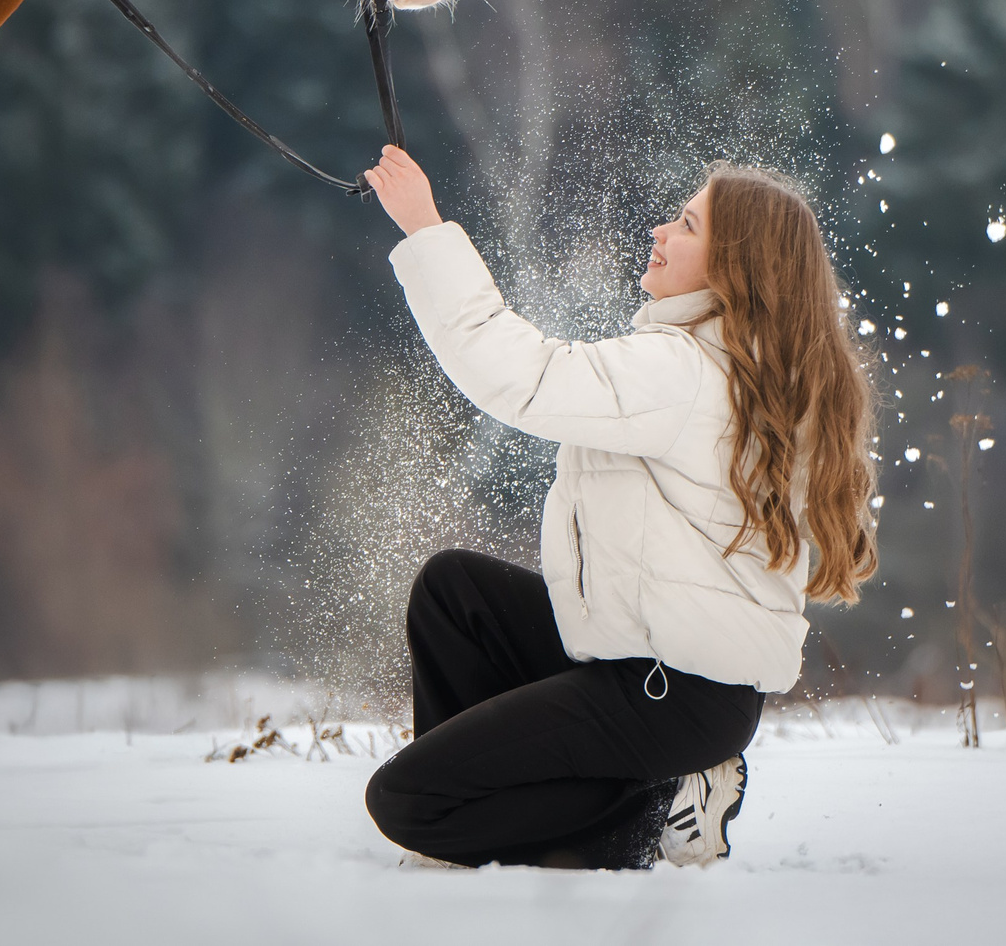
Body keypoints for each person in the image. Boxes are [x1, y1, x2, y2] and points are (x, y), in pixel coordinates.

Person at [358, 144, 879, 870]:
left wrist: (426, 228)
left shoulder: (684, 371)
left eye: (688, 225)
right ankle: (500, 810)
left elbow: (525, 378)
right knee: (457, 592)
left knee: (408, 802)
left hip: (674, 693)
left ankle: (649, 811)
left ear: (734, 268)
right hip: (659, 670)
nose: (662, 231)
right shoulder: (733, 365)